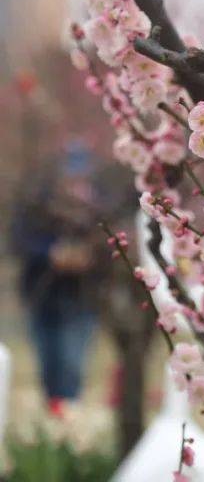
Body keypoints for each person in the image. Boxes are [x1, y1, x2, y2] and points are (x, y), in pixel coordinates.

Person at [10, 139, 106, 415]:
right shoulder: (38, 204)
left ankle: (68, 416)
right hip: (43, 296)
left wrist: (87, 256)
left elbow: (108, 246)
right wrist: (51, 253)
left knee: (72, 365)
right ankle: (55, 416)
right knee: (49, 364)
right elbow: (20, 240)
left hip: (81, 298)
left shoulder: (98, 207)